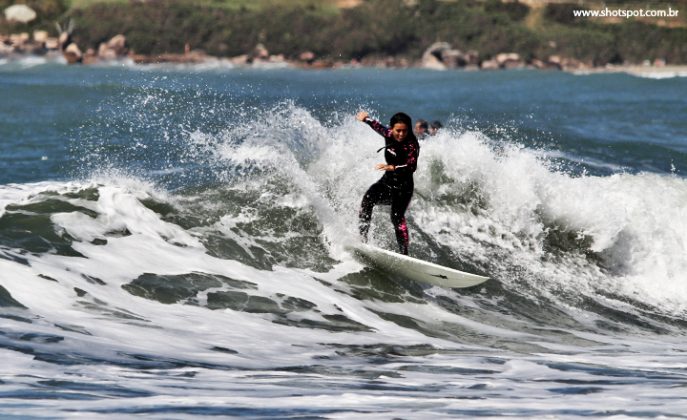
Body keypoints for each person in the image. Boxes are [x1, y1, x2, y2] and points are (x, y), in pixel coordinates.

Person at [356, 111, 420, 255]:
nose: (401, 134)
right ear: (392, 129)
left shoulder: (411, 144)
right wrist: (366, 119)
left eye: (405, 131)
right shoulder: (389, 134)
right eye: (398, 130)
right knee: (367, 200)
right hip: (387, 182)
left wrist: (393, 167)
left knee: (396, 217)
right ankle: (362, 240)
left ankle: (404, 254)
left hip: (404, 187)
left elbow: (412, 166)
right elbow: (377, 126)